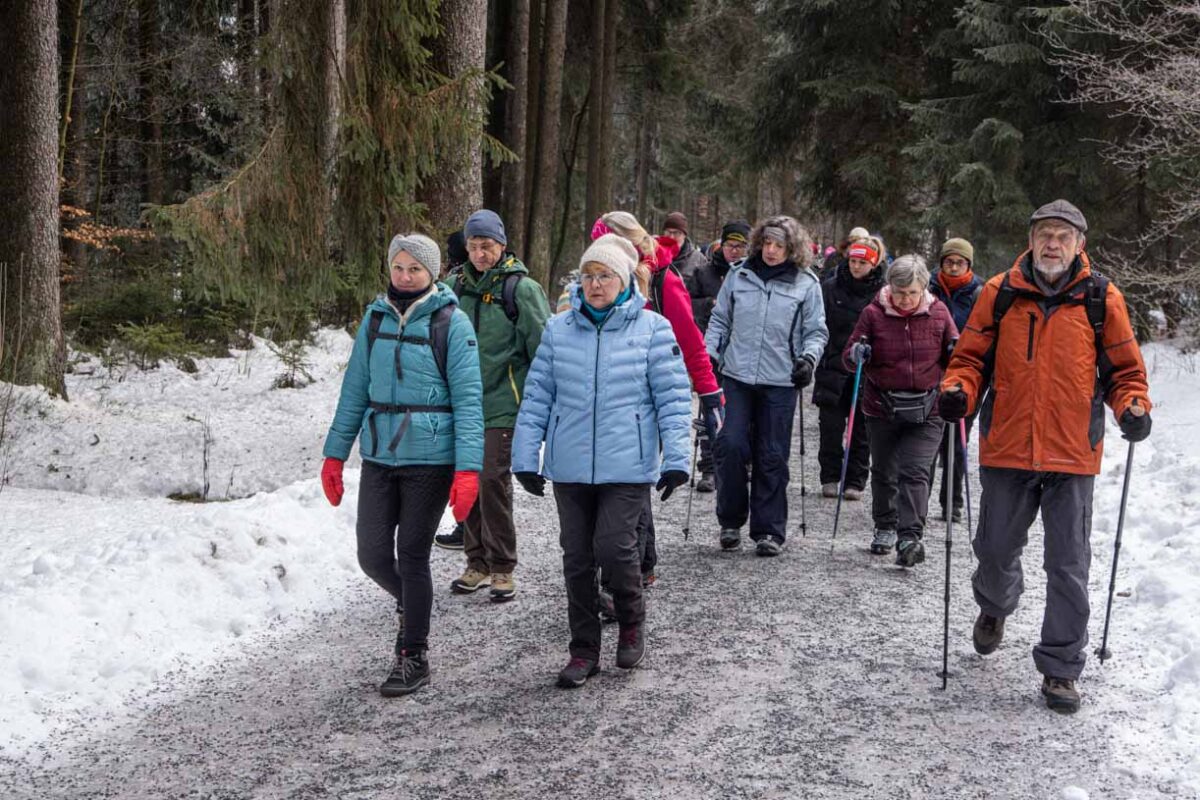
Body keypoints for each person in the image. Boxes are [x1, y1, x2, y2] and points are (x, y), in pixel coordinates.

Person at [940, 199, 1152, 713]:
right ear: (1031, 240)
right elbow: (970, 359)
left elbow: (1125, 371)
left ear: (1080, 244)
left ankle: (1061, 667)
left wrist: (1133, 406)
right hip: (1008, 447)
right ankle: (995, 605)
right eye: (1044, 235)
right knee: (994, 549)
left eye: (1062, 236)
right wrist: (958, 390)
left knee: (1068, 564)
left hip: (1072, 453)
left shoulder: (1101, 298)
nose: (1052, 244)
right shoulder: (1001, 292)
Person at [511, 234, 692, 688]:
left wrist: (677, 459)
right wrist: (525, 457)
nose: (595, 285)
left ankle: (631, 622)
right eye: (588, 276)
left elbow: (672, 401)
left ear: (625, 280)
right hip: (570, 464)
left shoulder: (652, 329)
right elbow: (536, 398)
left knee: (614, 548)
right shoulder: (558, 330)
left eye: (605, 276)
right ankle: (584, 650)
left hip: (627, 463)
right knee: (576, 558)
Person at [320, 233, 483, 697]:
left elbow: (469, 402)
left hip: (430, 460)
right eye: (399, 267)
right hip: (378, 456)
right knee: (372, 556)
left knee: (412, 555)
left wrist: (467, 470)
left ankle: (413, 654)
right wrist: (335, 453)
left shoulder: (452, 323)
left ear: (432, 272)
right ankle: (413, 605)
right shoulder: (374, 319)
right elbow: (354, 390)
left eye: (415, 268)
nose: (406, 276)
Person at [594, 211, 721, 584]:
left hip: (649, 397)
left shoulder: (664, 279)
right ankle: (638, 560)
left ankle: (628, 571)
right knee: (616, 481)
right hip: (606, 397)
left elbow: (690, 338)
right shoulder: (597, 282)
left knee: (630, 479)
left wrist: (709, 390)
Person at [704, 216, 828, 555]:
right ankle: (730, 520)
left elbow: (816, 331)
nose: (771, 250)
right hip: (736, 375)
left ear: (792, 248)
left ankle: (769, 530)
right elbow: (720, 319)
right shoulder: (739, 274)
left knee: (772, 454)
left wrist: (808, 359)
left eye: (779, 245)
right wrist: (709, 354)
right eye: (767, 243)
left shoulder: (806, 283)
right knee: (729, 444)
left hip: (781, 380)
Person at [445, 210, 552, 602]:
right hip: (462, 404)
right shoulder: (453, 286)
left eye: (487, 246)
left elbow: (543, 348)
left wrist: (541, 402)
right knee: (468, 480)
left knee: (491, 479)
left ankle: (502, 566)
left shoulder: (520, 290)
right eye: (473, 246)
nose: (480, 254)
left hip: (504, 401)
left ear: (502, 246)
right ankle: (476, 562)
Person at [843, 255, 958, 565]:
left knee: (915, 471)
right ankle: (884, 526)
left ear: (924, 289)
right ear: (889, 287)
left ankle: (909, 537)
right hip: (882, 406)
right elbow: (848, 357)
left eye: (912, 293)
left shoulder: (938, 312)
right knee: (884, 470)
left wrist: (954, 351)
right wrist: (857, 354)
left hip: (928, 407)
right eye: (899, 292)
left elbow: (958, 356)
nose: (905, 299)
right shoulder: (873, 314)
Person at [813, 236, 886, 501]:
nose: (856, 266)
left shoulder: (883, 292)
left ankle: (855, 479)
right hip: (832, 365)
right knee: (830, 427)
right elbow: (819, 322)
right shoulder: (830, 287)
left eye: (862, 263)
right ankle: (830, 476)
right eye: (853, 261)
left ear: (873, 264)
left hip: (866, 370)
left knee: (861, 430)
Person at [683, 220, 751, 493]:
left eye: (740, 246)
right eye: (730, 245)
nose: (734, 251)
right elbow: (686, 305)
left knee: (743, 412)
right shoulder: (703, 273)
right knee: (711, 410)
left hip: (743, 354)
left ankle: (742, 463)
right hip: (710, 353)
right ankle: (709, 467)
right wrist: (708, 305)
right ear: (721, 246)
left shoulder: (751, 275)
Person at [927, 237, 984, 523]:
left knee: (957, 440)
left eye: (959, 262)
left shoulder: (979, 293)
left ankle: (952, 502)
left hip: (966, 374)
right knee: (927, 439)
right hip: (931, 371)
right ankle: (917, 501)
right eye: (949, 261)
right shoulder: (928, 287)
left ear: (968, 265)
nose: (953, 267)